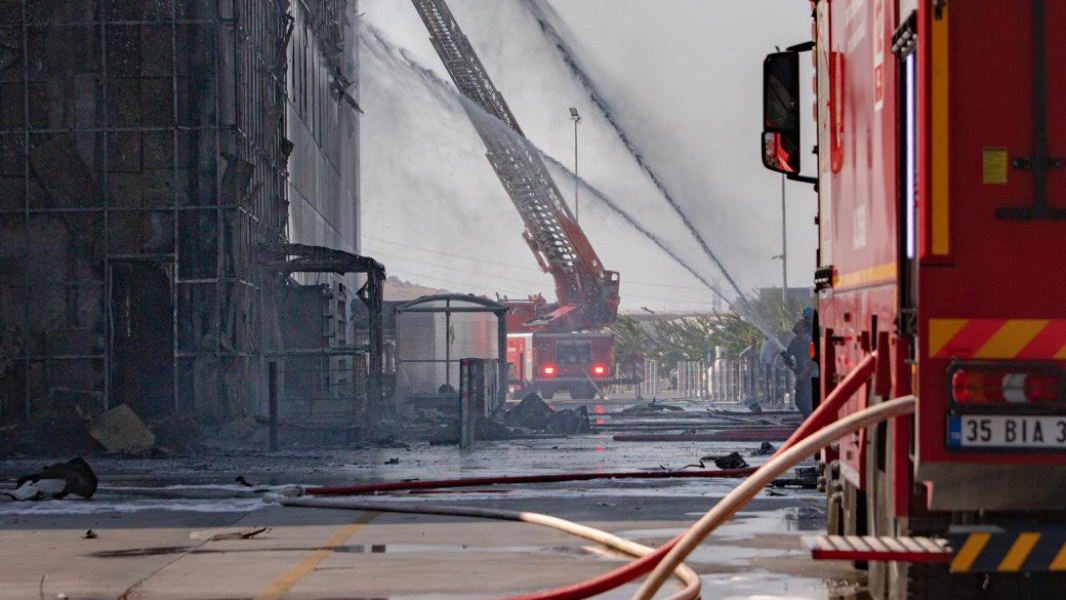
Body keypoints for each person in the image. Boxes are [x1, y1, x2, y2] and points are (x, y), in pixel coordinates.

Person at [782, 315, 815, 417]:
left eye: (799, 324)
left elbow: (814, 360)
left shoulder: (810, 341)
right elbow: (788, 356)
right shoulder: (795, 341)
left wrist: (804, 374)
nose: (796, 325)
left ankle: (812, 422)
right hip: (800, 375)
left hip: (809, 375)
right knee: (799, 402)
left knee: (805, 402)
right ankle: (809, 420)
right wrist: (786, 360)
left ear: (804, 328)